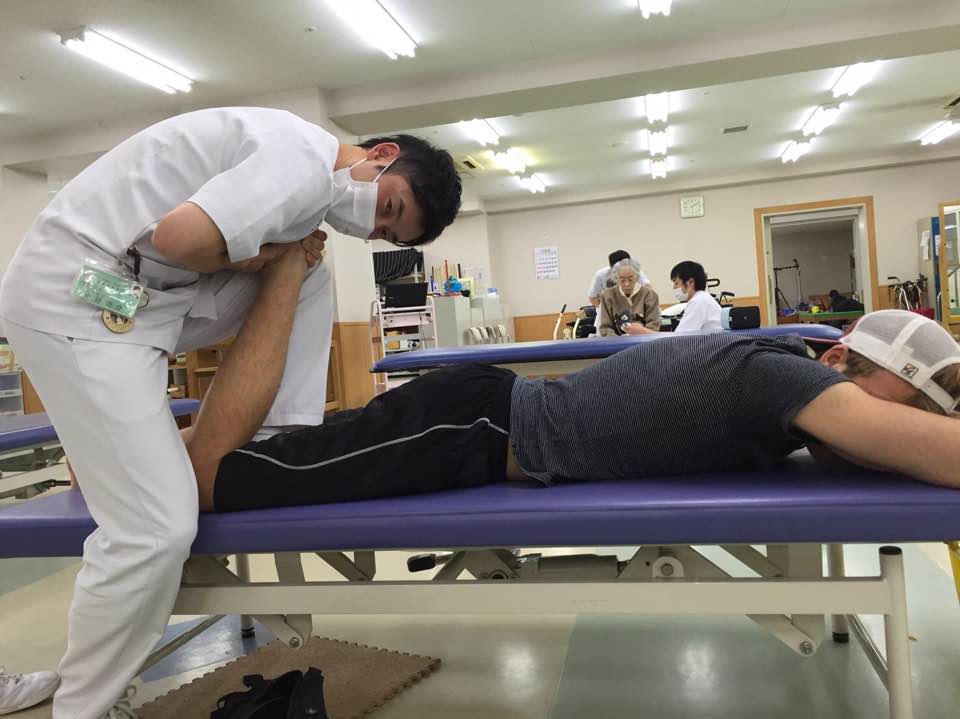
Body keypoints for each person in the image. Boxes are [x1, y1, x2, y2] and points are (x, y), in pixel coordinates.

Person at [0, 107, 461, 719]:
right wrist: (250, 259)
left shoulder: (306, 189)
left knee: (307, 270)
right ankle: (83, 708)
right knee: (156, 529)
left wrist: (278, 258)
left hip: (141, 301)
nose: (373, 226)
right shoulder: (303, 162)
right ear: (380, 156)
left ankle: (277, 437)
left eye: (385, 233)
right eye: (389, 208)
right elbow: (178, 239)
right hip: (75, 298)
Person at [181, 251, 960, 512]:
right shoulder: (787, 378)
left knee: (291, 451)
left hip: (481, 422)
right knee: (223, 481)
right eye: (907, 406)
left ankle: (154, 447)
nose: (879, 438)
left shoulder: (787, 373)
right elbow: (936, 452)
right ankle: (134, 451)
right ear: (841, 364)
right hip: (473, 427)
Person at [597, 259, 661, 336]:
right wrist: (617, 340)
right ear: (616, 279)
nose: (627, 284)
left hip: (644, 340)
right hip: (616, 341)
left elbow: (653, 327)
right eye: (622, 280)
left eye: (630, 279)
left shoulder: (650, 295)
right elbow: (605, 327)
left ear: (637, 277)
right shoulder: (607, 295)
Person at [670, 260, 722, 334]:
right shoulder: (703, 298)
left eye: (676, 283)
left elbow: (678, 337)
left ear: (690, 282)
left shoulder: (698, 301)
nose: (674, 287)